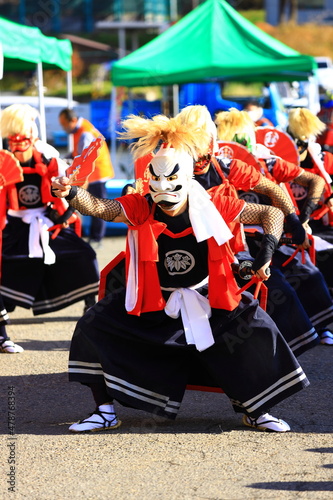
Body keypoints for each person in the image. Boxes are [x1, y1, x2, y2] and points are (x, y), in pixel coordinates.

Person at [51, 114, 309, 434]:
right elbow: (103, 208)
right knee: (95, 322)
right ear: (149, 180)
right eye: (157, 183)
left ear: (187, 178)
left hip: (210, 297)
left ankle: (256, 411)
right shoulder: (143, 205)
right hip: (157, 300)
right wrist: (72, 194)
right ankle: (104, 411)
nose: (165, 192)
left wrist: (265, 254)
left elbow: (270, 212)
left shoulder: (214, 202)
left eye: (172, 182)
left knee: (256, 328)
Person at [174, 105, 319, 356]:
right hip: (177, 259)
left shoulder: (228, 166)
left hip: (230, 252)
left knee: (276, 288)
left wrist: (296, 221)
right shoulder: (164, 170)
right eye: (190, 144)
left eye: (201, 145)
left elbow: (273, 190)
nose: (198, 155)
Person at [215, 108, 333, 345]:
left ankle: (312, 328)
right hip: (229, 243)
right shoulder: (217, 168)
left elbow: (309, 183)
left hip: (272, 234)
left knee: (307, 274)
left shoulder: (266, 161)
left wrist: (300, 221)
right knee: (274, 286)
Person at [0, 104, 99, 316]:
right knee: (6, 265)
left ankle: (90, 299)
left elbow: (67, 187)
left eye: (23, 141)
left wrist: (66, 212)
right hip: (14, 225)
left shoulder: (47, 156)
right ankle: (5, 305)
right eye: (14, 141)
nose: (19, 146)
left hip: (46, 221)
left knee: (84, 253)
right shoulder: (3, 160)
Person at [58, 108, 114, 247]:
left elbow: (85, 157)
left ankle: (96, 239)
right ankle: (93, 237)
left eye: (65, 124)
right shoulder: (82, 130)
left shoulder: (85, 133)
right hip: (94, 174)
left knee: (97, 207)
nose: (64, 128)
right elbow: (78, 153)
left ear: (73, 120)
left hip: (96, 174)